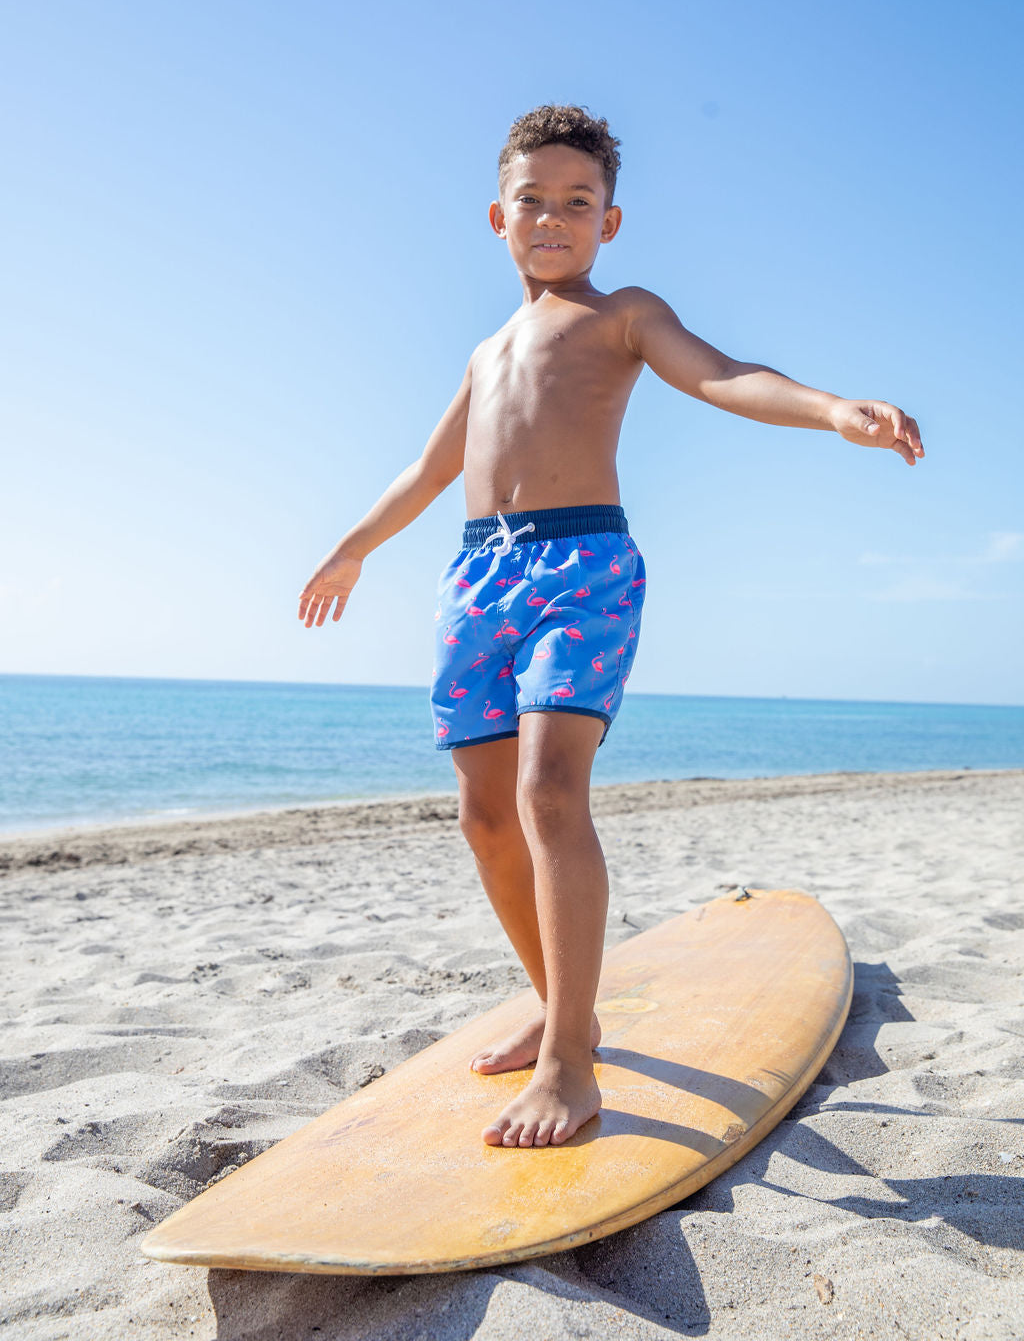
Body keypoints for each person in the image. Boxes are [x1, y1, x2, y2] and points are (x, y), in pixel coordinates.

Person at [298, 103, 924, 1150]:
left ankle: (570, 1066)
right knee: (484, 815)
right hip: (475, 577)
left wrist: (831, 409)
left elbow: (722, 373)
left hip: (580, 565)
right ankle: (562, 1002)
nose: (553, 218)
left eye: (576, 203)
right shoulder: (485, 349)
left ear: (610, 221)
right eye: (532, 201)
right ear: (497, 216)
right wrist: (353, 544)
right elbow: (431, 469)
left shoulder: (621, 314)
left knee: (549, 791)